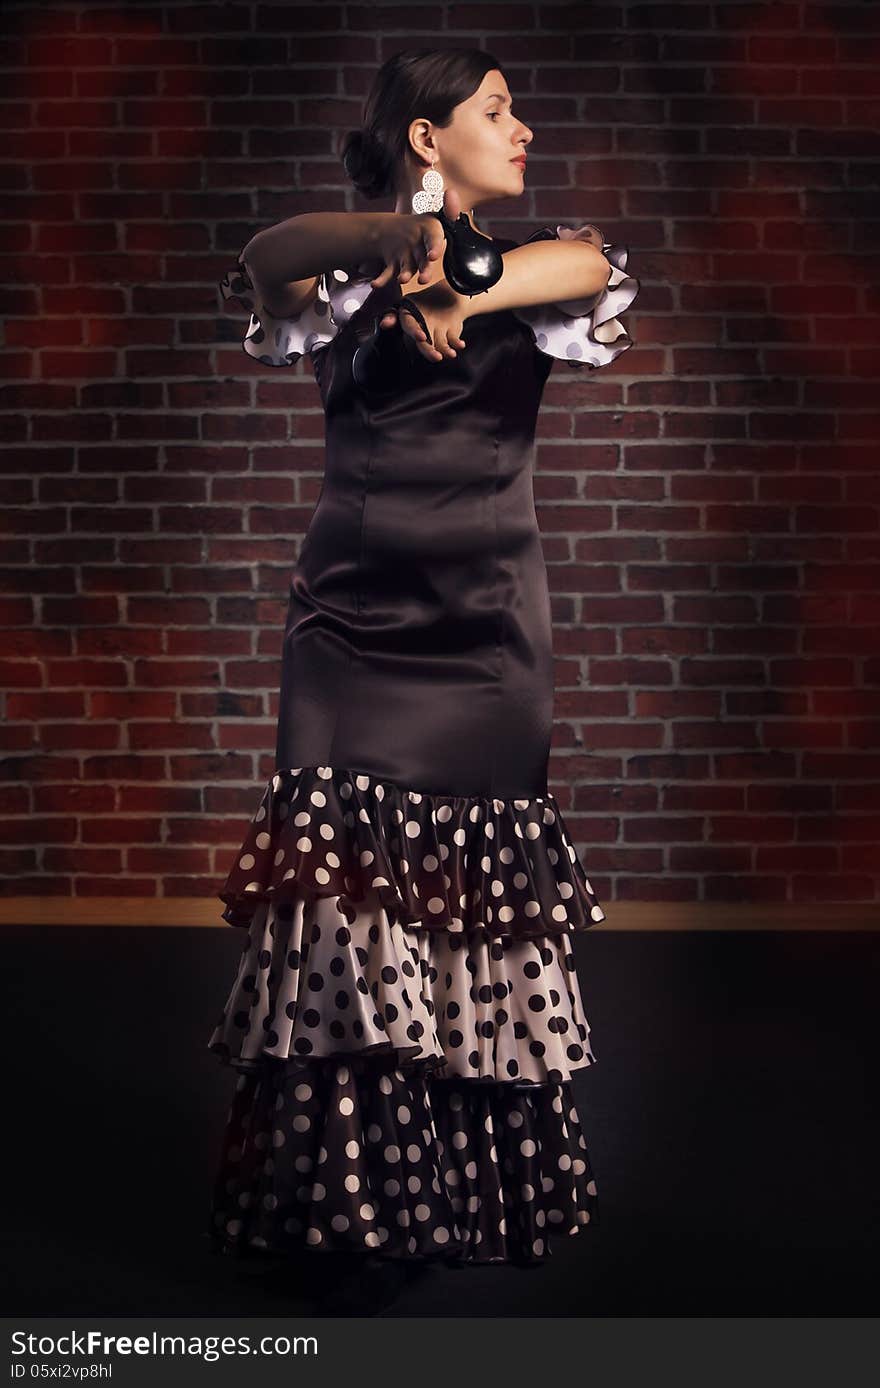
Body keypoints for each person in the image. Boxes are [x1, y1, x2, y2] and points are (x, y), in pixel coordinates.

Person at [207, 47, 639, 1315]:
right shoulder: (336, 273)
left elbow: (598, 263)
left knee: (467, 918)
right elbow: (269, 255)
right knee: (345, 916)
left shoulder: (540, 269)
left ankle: (459, 1190)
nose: (523, 126)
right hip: (345, 635)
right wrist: (397, 250)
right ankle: (352, 1202)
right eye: (496, 110)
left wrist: (473, 275)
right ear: (424, 137)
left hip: (490, 641)